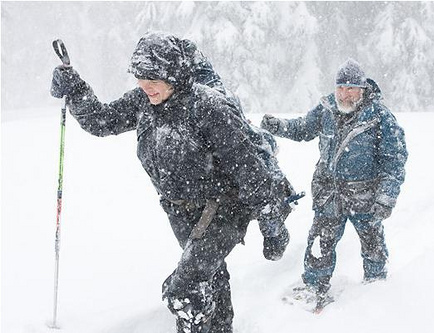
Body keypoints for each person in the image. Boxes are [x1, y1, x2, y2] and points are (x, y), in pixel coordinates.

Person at [51, 32, 296, 333]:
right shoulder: (144, 101)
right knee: (210, 276)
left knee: (184, 290)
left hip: (223, 209)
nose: (145, 85)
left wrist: (272, 225)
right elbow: (102, 120)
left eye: (153, 77)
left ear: (173, 74)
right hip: (179, 212)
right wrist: (75, 89)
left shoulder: (209, 107)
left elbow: (249, 170)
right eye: (140, 77)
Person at [261, 58, 408, 304]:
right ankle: (314, 285)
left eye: (351, 88)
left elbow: (394, 161)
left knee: (372, 243)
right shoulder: (327, 108)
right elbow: (302, 129)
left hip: (365, 196)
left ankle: (376, 288)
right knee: (320, 242)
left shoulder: (380, 117)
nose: (344, 93)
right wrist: (279, 126)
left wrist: (386, 197)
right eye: (340, 87)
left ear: (361, 89)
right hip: (329, 193)